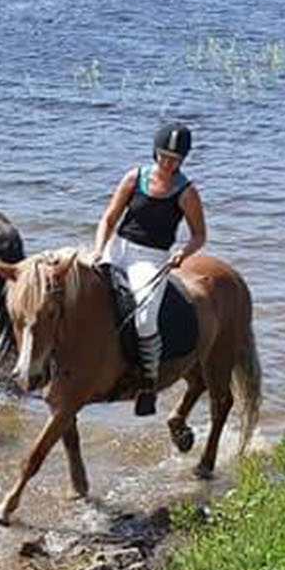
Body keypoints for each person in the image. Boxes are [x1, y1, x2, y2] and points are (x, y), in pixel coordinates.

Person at [90, 123, 207, 416]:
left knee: (144, 319)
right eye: (164, 156)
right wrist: (99, 251)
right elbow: (109, 218)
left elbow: (199, 235)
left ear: (183, 160)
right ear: (155, 152)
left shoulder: (186, 192)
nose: (168, 163)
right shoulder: (135, 177)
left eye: (175, 159)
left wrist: (184, 252)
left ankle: (148, 382)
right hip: (118, 247)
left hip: (152, 258)